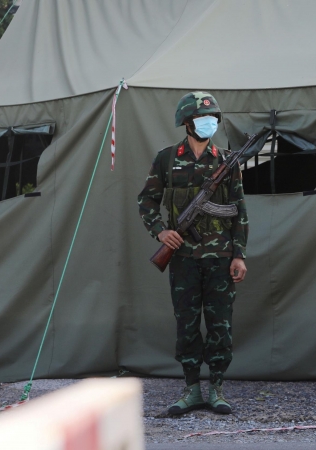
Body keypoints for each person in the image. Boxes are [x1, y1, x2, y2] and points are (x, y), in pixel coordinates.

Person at [137, 92, 248, 415]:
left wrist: (238, 255)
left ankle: (216, 388)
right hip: (183, 258)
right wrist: (160, 230)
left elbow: (239, 210)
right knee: (186, 324)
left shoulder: (227, 162)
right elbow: (146, 201)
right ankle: (191, 389)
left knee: (220, 325)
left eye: (213, 118)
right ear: (186, 123)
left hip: (221, 258)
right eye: (202, 119)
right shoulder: (167, 159)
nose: (209, 123)